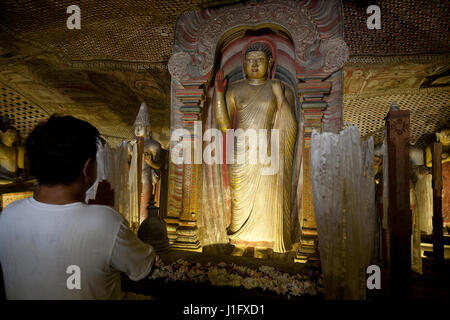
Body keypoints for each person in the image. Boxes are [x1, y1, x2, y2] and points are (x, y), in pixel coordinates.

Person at [0, 115, 156, 299]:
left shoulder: (8, 215)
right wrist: (105, 214)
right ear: (87, 168)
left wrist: (98, 214)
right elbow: (144, 267)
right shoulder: (105, 222)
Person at [214, 41, 298, 257]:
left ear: (270, 63)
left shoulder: (279, 88)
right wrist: (219, 96)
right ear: (243, 63)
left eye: (259, 60)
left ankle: (262, 245)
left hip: (267, 154)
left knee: (264, 199)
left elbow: (290, 125)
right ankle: (240, 242)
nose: (254, 65)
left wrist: (280, 97)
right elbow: (224, 125)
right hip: (241, 153)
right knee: (240, 199)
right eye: (250, 61)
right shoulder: (236, 89)